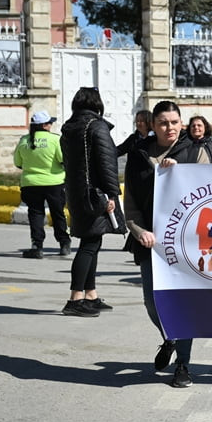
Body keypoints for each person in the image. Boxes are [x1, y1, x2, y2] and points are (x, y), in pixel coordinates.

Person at [124, 100, 200, 386]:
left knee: (183, 305)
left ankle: (182, 364)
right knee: (151, 302)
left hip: (187, 246)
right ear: (153, 126)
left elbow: (210, 194)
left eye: (174, 122)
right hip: (151, 244)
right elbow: (130, 203)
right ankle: (169, 337)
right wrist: (138, 230)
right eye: (163, 123)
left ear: (181, 123)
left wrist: (181, 173)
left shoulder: (195, 152)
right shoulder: (138, 156)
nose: (169, 127)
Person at [60, 88, 121, 318]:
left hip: (76, 193)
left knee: (92, 242)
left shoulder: (69, 127)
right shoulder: (96, 126)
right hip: (96, 194)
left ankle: (91, 295)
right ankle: (75, 298)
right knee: (89, 244)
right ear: (97, 104)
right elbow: (107, 162)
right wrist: (112, 194)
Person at [14, 111, 70, 259]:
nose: (51, 125)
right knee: (57, 213)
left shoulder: (24, 140)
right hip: (54, 183)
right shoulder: (55, 140)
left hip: (30, 184)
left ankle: (37, 246)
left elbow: (18, 163)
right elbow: (62, 159)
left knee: (36, 214)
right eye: (49, 123)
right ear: (45, 125)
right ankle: (64, 243)